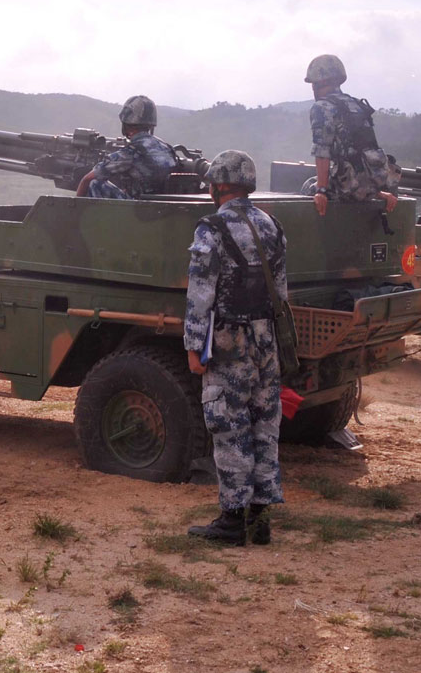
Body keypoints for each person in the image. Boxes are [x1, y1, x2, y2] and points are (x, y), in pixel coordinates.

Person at [183, 149, 285, 546]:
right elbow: (281, 292)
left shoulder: (211, 229)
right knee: (265, 426)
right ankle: (260, 521)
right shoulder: (272, 225)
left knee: (229, 426)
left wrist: (194, 345)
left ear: (219, 185)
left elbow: (200, 293)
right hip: (266, 340)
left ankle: (231, 520)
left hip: (229, 342)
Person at [303, 55, 398, 215]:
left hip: (348, 187)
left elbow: (322, 151)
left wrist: (321, 191)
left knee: (308, 186)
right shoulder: (355, 104)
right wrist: (376, 191)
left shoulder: (321, 107)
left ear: (318, 82)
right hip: (372, 184)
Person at [77, 95, 178, 199]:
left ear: (126, 123)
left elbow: (87, 179)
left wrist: (73, 208)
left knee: (94, 183)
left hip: (140, 209)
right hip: (162, 207)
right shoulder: (167, 148)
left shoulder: (131, 152)